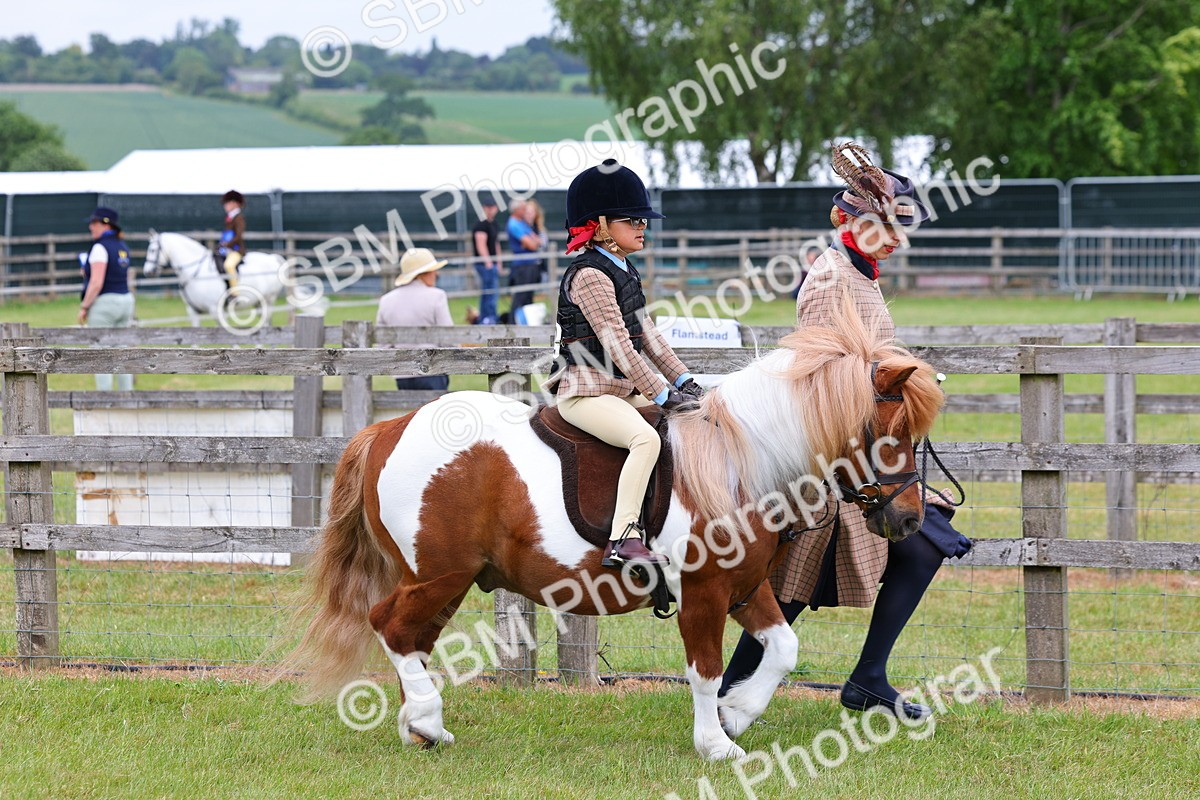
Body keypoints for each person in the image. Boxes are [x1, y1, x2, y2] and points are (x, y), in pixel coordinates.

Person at [720, 142, 971, 720]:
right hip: (830, 448)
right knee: (794, 572)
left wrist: (909, 376)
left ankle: (868, 679)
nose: (899, 238)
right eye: (890, 225)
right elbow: (823, 366)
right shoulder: (830, 277)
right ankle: (737, 684)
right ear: (857, 220)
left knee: (919, 543)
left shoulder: (861, 271)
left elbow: (869, 353)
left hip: (860, 442)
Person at [549, 159, 704, 568]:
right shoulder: (589, 275)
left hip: (617, 390)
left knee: (682, 430)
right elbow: (618, 344)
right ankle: (622, 539)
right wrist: (660, 392)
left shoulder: (624, 270)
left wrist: (685, 380)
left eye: (643, 219)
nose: (643, 226)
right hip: (585, 392)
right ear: (600, 225)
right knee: (645, 439)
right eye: (632, 219)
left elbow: (647, 334)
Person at [376, 248, 454, 392]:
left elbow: (384, 345)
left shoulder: (386, 300)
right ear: (422, 274)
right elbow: (449, 340)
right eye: (432, 270)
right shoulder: (437, 296)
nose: (436, 274)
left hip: (402, 376)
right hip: (433, 371)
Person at [78, 206, 135, 391]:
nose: (91, 227)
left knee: (100, 354)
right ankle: (127, 398)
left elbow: (96, 283)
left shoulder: (99, 247)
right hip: (126, 301)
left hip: (105, 304)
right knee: (122, 352)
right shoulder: (122, 246)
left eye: (94, 223)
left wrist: (84, 306)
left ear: (105, 224)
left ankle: (104, 401)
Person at [507, 198, 544, 319]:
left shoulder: (522, 223)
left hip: (530, 264)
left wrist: (532, 242)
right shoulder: (514, 224)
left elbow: (538, 240)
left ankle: (527, 323)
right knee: (520, 296)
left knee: (528, 296)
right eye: (523, 209)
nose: (525, 211)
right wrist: (532, 242)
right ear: (517, 210)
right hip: (522, 266)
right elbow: (533, 244)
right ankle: (513, 323)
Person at [469, 198, 502, 325]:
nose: (490, 210)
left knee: (489, 292)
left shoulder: (494, 224)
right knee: (490, 292)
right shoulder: (481, 225)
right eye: (487, 207)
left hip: (492, 263)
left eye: (492, 207)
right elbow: (480, 244)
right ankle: (489, 318)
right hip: (484, 264)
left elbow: (495, 243)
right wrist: (488, 262)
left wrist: (498, 261)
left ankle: (485, 318)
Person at [218, 190, 246, 290]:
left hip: (236, 250)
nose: (225, 206)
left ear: (234, 203)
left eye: (227, 203)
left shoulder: (238, 218)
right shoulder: (230, 218)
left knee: (229, 265)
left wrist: (227, 244)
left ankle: (234, 292)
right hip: (227, 249)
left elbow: (238, 236)